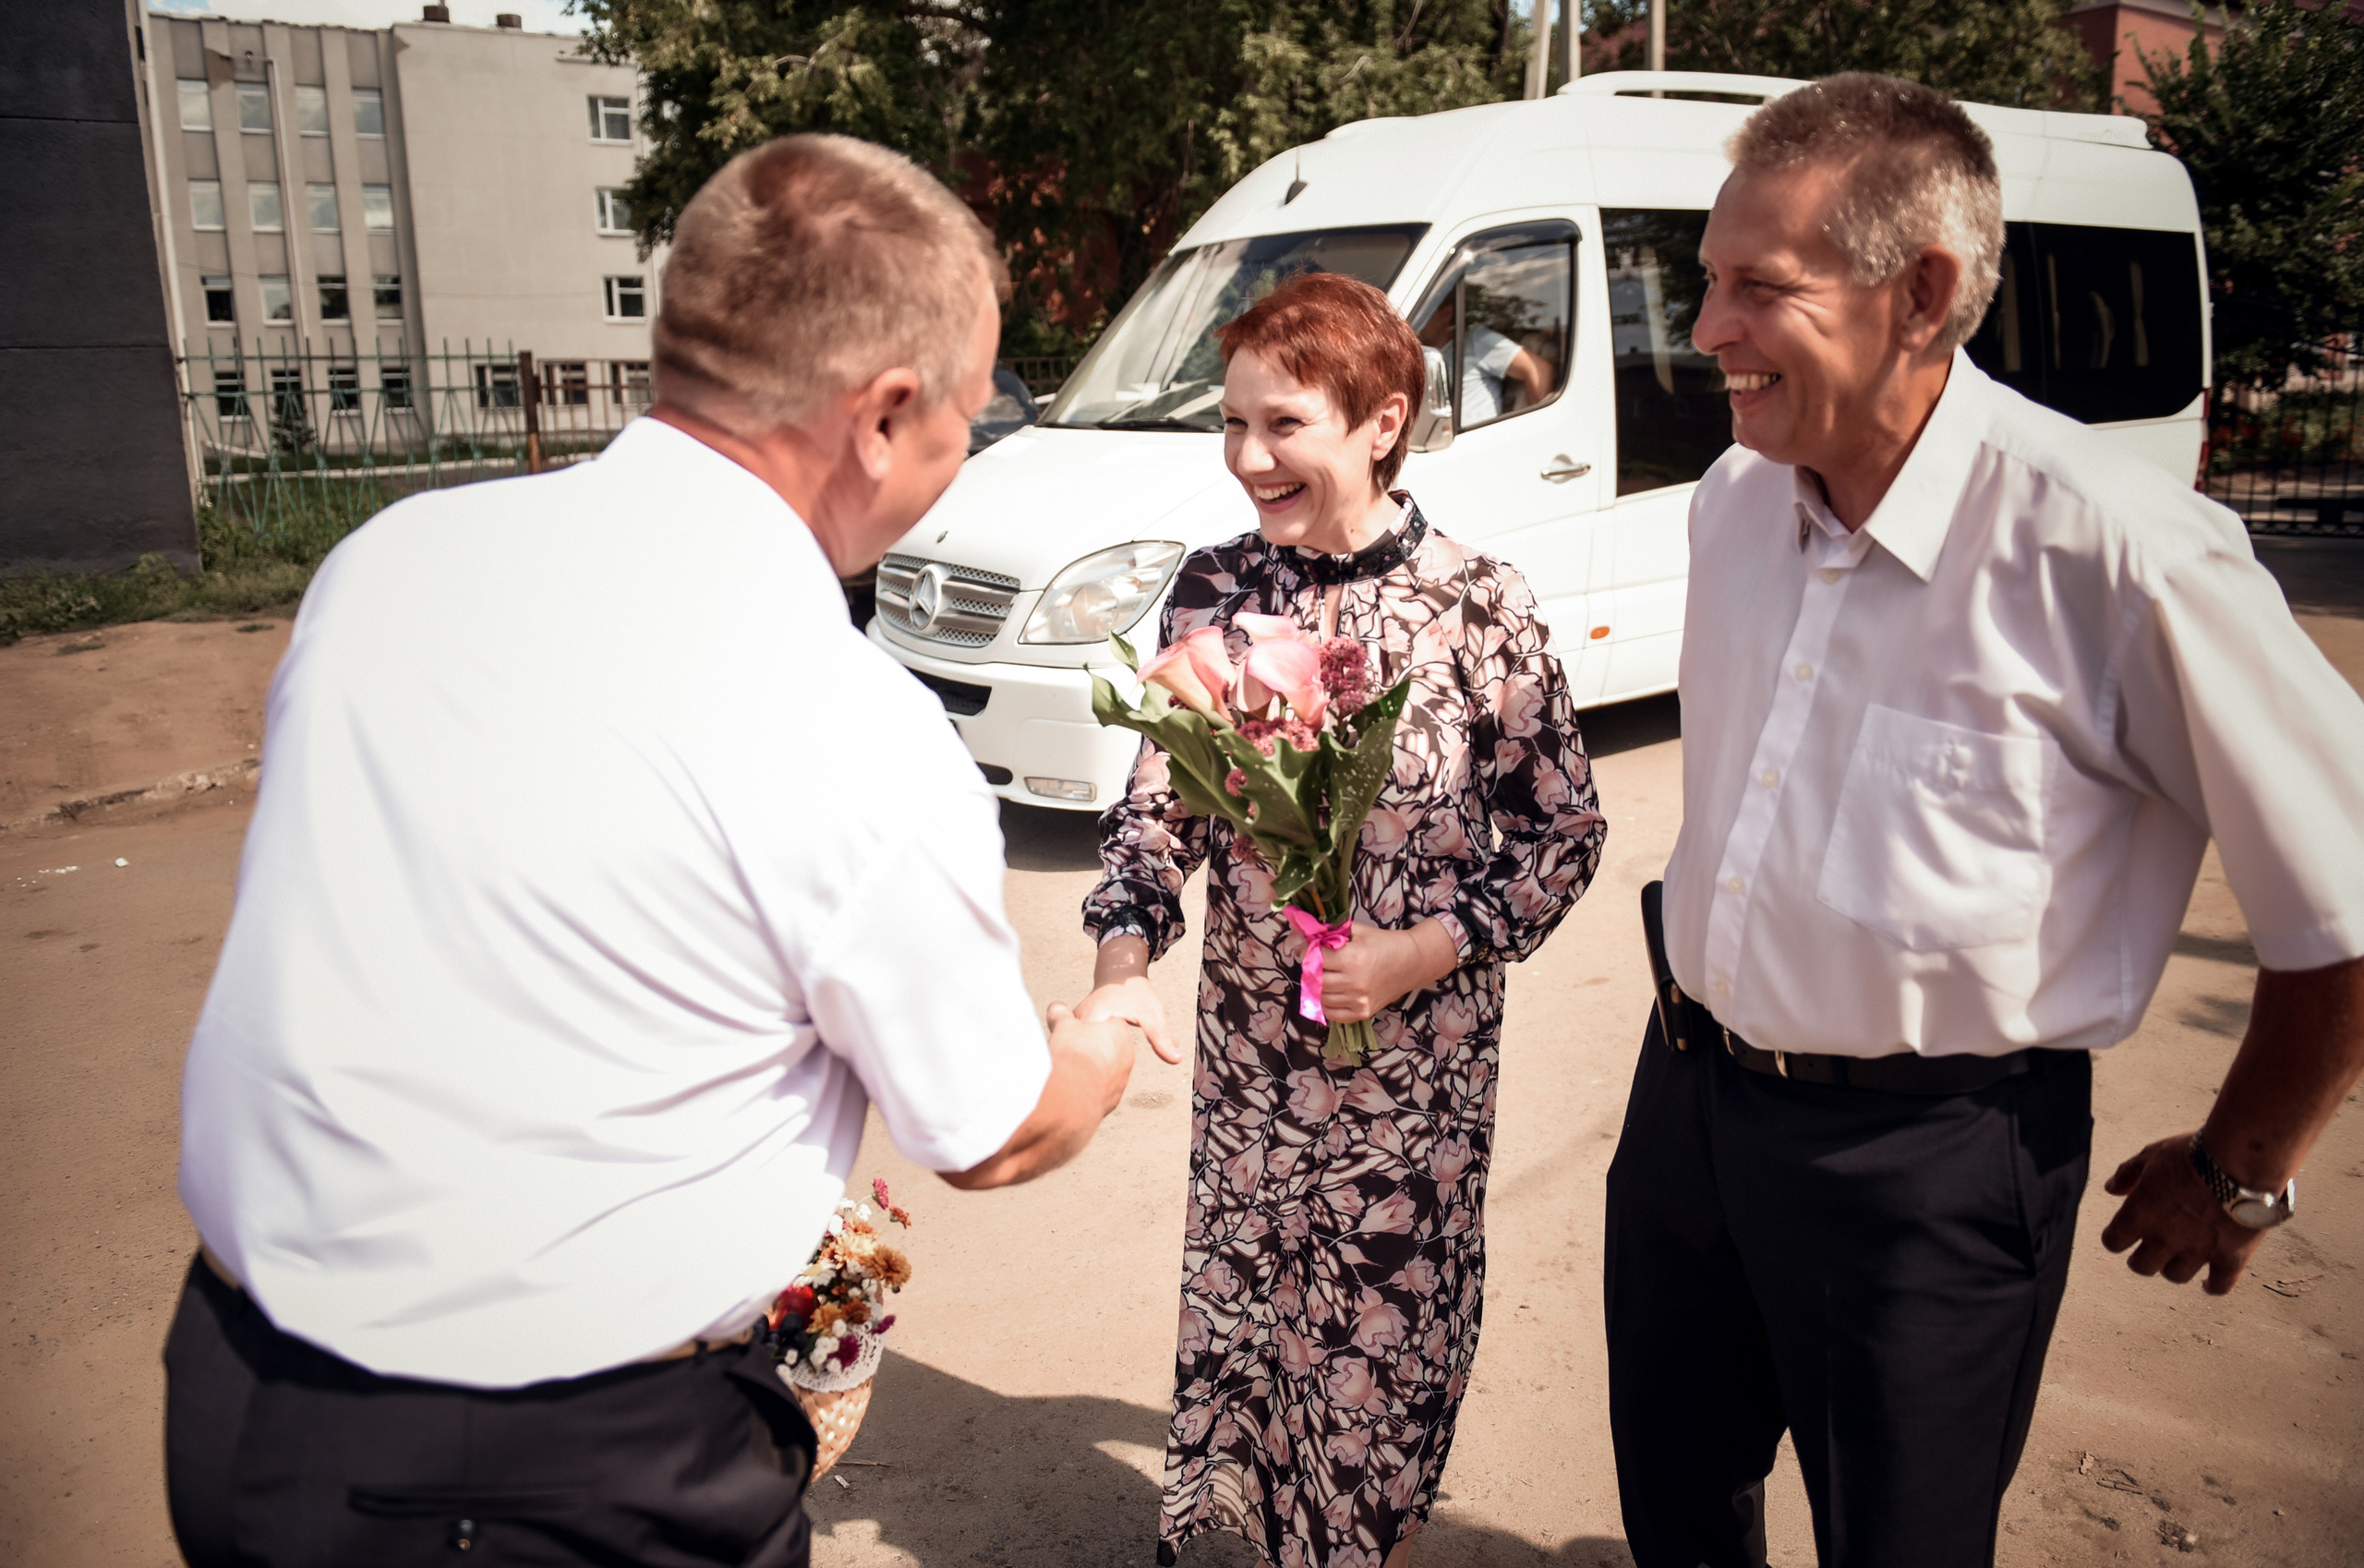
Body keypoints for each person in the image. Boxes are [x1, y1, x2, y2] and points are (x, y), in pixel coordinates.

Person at [166, 134, 1144, 1568]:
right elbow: (993, 1133)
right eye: (971, 404)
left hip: (243, 1401)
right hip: (550, 1480)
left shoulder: (393, 560)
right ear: (881, 416)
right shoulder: (851, 724)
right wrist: (1103, 1040)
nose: (969, 442)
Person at [1604, 73, 2364, 1568]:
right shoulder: (1732, 505)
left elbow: (2342, 884)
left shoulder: (2123, 550)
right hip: (1688, 1100)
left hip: (1928, 1165)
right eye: (1706, 282)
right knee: (1678, 1509)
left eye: (1761, 288)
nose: (1706, 334)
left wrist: (2241, 1168)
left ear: (1922, 292)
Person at [1079, 271, 1607, 1568]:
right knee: (1254, 1335)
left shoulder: (1482, 603)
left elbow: (1564, 836)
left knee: (1377, 1354)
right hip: (1255, 1070)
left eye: (1285, 425)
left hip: (1412, 1084)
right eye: (1235, 421)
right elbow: (1161, 815)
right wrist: (1123, 964)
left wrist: (1425, 950)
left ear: (1382, 421)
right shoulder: (1214, 589)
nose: (1248, 456)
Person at [1416, 302, 1550, 427]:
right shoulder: (1419, 355)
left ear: (1447, 313)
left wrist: (1539, 428)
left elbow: (1539, 368)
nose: (1417, 321)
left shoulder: (1475, 341)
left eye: (1424, 314)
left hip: (1477, 442)